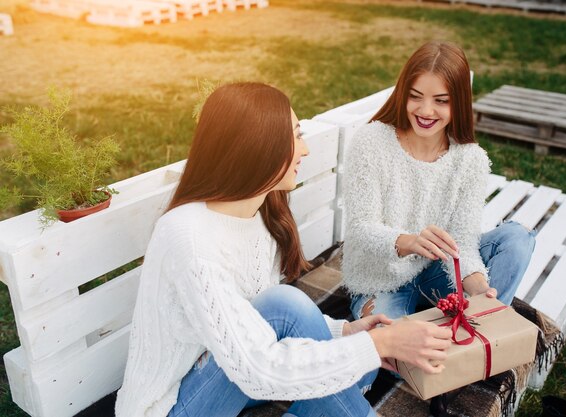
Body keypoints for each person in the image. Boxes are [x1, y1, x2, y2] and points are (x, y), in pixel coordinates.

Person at [115, 82, 454, 417]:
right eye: (295, 135)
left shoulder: (261, 216)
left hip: (229, 371)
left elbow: (251, 322)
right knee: (306, 321)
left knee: (358, 365)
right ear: (259, 146)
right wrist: (380, 344)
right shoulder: (187, 237)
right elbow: (258, 367)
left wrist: (344, 332)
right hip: (174, 405)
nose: (304, 150)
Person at [342, 41, 536, 323]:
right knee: (403, 353)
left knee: (518, 238)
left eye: (441, 101)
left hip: (439, 276)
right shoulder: (371, 142)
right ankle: (466, 343)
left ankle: (486, 321)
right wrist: (408, 242)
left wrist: (480, 288)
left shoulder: (471, 160)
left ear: (458, 102)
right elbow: (360, 228)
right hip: (380, 282)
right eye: (415, 96)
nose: (426, 110)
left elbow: (463, 244)